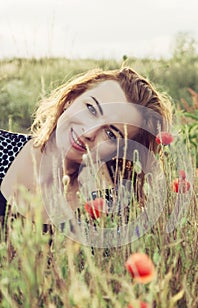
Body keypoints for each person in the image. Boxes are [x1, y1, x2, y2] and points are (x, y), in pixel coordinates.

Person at [0, 66, 173, 239]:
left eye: (111, 134)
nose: (89, 133)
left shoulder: (113, 211)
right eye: (91, 109)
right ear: (71, 98)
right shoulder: (3, 147)